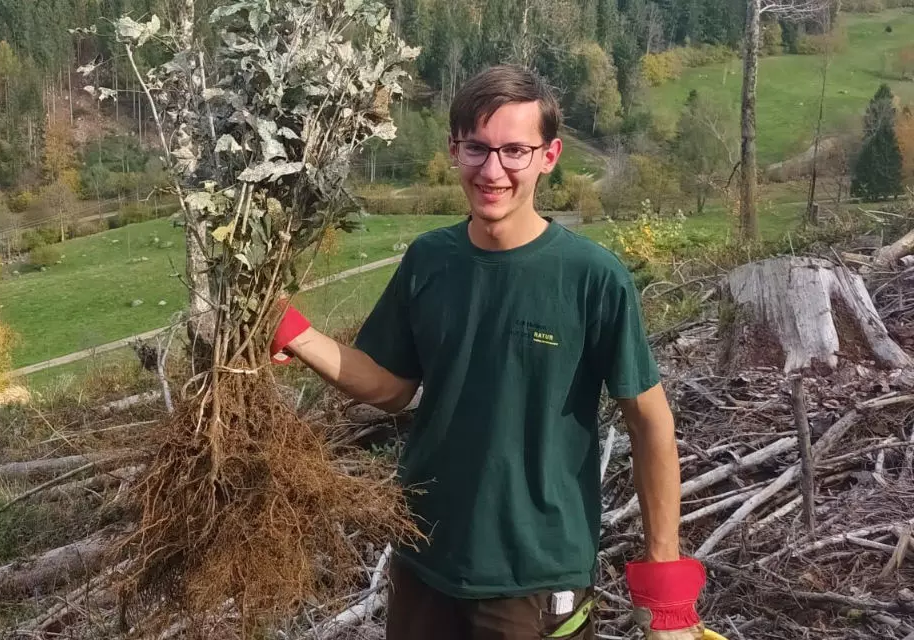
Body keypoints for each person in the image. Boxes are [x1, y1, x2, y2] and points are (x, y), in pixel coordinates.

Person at [269, 66, 707, 639]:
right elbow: (391, 385)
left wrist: (665, 593)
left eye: (514, 151)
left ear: (549, 156)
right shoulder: (430, 260)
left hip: (534, 575)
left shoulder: (590, 278)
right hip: (424, 557)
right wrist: (295, 332)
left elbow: (650, 422)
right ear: (454, 150)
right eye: (476, 148)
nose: (492, 169)